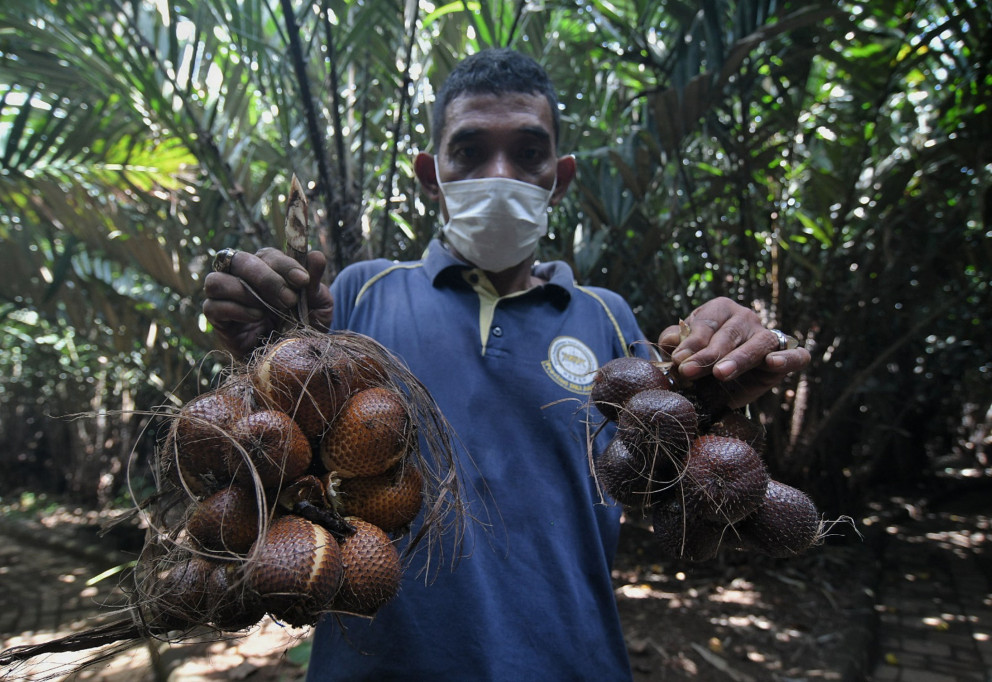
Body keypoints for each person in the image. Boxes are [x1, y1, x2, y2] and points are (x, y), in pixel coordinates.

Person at [203, 48, 810, 681]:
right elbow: (277, 463)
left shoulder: (607, 319)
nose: (500, 173)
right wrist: (263, 355)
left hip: (571, 660)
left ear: (560, 175)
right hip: (378, 667)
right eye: (468, 151)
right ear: (430, 174)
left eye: (527, 152)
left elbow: (668, 488)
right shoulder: (358, 295)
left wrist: (720, 383)